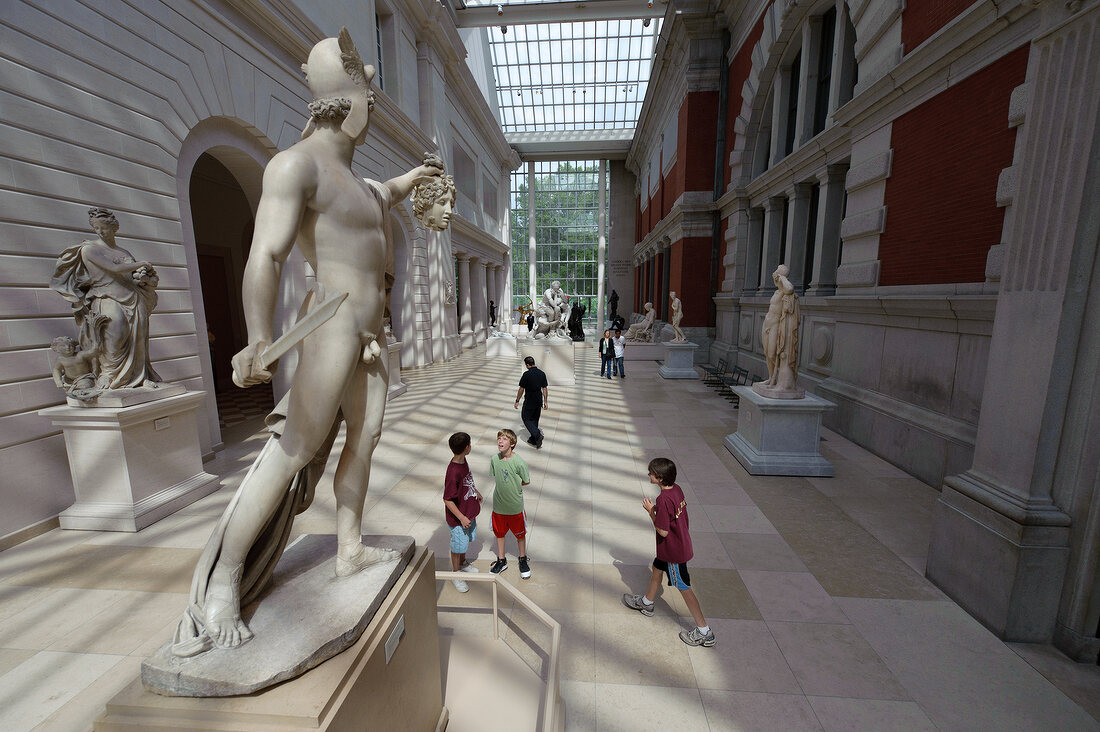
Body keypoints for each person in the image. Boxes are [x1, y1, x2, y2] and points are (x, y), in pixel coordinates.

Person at [172, 28, 446, 655]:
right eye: (369, 105)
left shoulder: (366, 186)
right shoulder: (296, 166)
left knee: (366, 438)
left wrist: (419, 173)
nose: (371, 117)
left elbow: (392, 191)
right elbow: (265, 255)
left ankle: (349, 548)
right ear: (348, 105)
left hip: (375, 336)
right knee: (293, 449)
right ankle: (224, 579)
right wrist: (259, 336)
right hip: (330, 326)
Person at [50, 208, 164, 390]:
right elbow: (114, 269)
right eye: (96, 228)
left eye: (103, 227)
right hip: (105, 295)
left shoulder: (124, 251)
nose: (100, 232)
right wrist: (141, 263)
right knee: (115, 332)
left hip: (133, 297)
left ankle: (140, 376)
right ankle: (109, 374)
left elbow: (129, 276)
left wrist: (142, 277)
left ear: (114, 229)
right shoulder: (89, 249)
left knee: (139, 338)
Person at [622, 458, 715, 647]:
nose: (649, 474)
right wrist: (658, 510)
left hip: (673, 552)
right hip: (677, 545)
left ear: (660, 478)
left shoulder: (662, 499)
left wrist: (651, 511)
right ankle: (647, 603)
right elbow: (672, 514)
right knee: (657, 567)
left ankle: (705, 631)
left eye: (651, 473)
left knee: (684, 587)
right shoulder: (677, 489)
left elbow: (663, 530)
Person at [488, 429, 531, 579]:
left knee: (520, 535)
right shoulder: (494, 460)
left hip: (515, 507)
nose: (500, 441)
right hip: (498, 507)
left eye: (505, 439)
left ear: (512, 444)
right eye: (499, 438)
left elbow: (526, 481)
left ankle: (522, 558)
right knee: (499, 534)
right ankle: (501, 560)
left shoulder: (519, 462)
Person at [443, 431, 481, 593]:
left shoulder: (463, 460)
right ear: (467, 448)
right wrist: (461, 517)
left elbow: (468, 480)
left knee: (465, 542)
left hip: (468, 511)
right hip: (459, 518)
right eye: (470, 444)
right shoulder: (453, 472)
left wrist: (475, 491)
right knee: (457, 546)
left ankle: (463, 563)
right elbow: (447, 499)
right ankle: (455, 573)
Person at [759, 264, 802, 393]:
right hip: (767, 323)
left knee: (773, 353)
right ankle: (771, 377)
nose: (775, 280)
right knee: (767, 353)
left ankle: (776, 378)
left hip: (776, 325)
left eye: (777, 277)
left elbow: (790, 288)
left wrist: (783, 277)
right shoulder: (776, 292)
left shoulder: (786, 292)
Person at [515, 355, 548, 448]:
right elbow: (545, 388)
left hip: (529, 399)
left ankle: (537, 435)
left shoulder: (526, 374)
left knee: (526, 418)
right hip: (539, 399)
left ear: (527, 365)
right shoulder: (542, 373)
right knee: (535, 419)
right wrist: (545, 401)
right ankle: (534, 440)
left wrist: (517, 400)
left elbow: (521, 389)